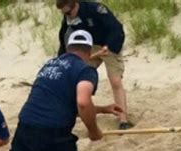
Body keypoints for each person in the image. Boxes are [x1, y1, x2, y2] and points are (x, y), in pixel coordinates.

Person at [56, 0, 131, 130]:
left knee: (115, 81)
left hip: (108, 45)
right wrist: (61, 60)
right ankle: (80, 114)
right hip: (88, 48)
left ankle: (123, 119)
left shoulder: (96, 9)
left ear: (76, 4)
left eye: (68, 12)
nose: (67, 16)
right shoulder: (68, 17)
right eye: (64, 13)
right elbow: (64, 40)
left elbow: (116, 28)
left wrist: (109, 46)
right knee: (78, 80)